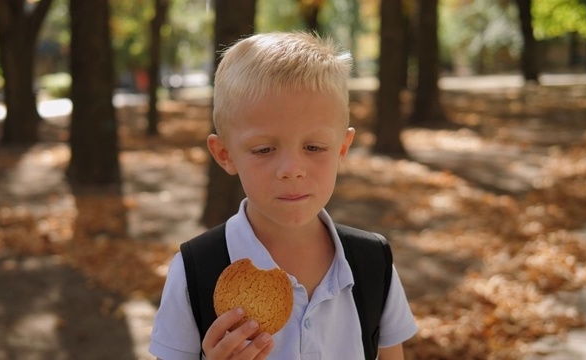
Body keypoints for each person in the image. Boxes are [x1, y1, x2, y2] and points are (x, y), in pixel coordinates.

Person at [149, 31, 417, 360]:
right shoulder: (195, 271)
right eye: (264, 149)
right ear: (225, 155)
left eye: (314, 147)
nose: (291, 169)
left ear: (342, 149)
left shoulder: (373, 263)